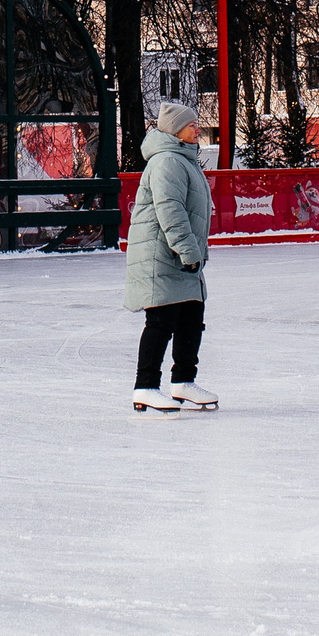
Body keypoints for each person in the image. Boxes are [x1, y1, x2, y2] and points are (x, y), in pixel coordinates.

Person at [123, 101, 216, 413]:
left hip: (178, 255)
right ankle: (145, 386)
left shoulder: (183, 159)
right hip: (160, 256)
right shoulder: (167, 162)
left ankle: (183, 382)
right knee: (161, 320)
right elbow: (170, 211)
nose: (197, 128)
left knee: (192, 316)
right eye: (192, 125)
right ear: (176, 130)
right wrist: (188, 250)